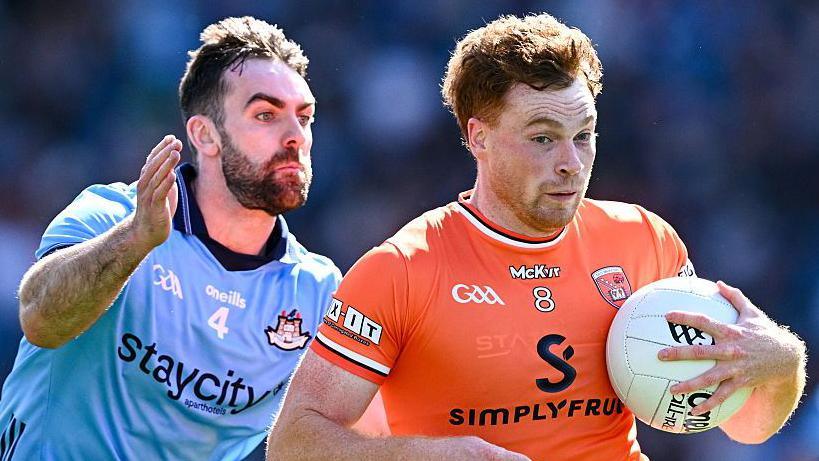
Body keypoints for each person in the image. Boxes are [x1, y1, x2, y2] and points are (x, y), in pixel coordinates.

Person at [266, 13, 807, 461]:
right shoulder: (402, 269)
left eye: (584, 135)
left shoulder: (646, 241)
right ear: (479, 138)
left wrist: (781, 361)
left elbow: (748, 426)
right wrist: (428, 455)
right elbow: (293, 443)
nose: (572, 163)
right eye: (543, 138)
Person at [0, 16, 342, 460]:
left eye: (304, 118)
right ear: (205, 135)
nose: (296, 136)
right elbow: (39, 319)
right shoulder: (112, 214)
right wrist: (135, 240)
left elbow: (348, 433)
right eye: (265, 115)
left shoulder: (318, 293)